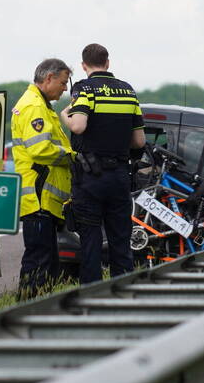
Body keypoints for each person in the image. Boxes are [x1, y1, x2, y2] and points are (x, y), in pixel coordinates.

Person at [61, 43, 145, 284]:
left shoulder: (84, 89)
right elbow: (139, 141)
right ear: (108, 63)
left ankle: (93, 296)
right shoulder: (128, 91)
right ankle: (124, 293)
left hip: (90, 178)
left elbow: (78, 126)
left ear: (84, 65)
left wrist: (64, 115)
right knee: (121, 238)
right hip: (119, 175)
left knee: (91, 240)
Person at [11, 58, 75, 296]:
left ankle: (34, 309)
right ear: (49, 79)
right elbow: (40, 150)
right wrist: (72, 157)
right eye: (63, 82)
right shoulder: (34, 107)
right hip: (39, 199)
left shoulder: (40, 104)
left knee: (46, 262)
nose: (65, 88)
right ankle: (26, 310)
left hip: (43, 200)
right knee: (38, 261)